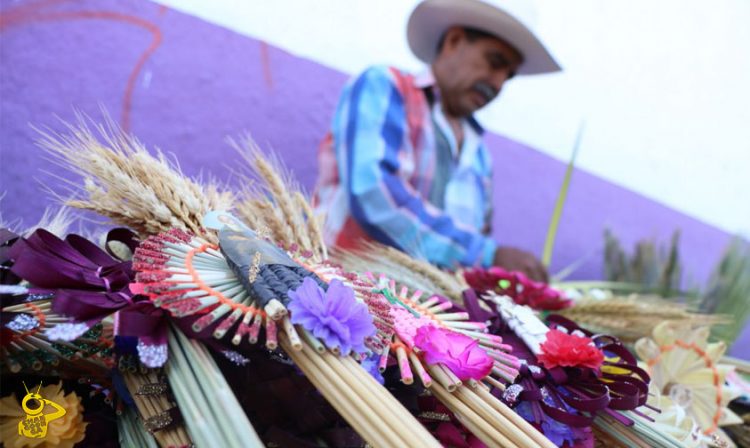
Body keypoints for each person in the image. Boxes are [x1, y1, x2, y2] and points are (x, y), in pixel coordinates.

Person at [313, 0, 561, 282]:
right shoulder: (386, 87)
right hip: (337, 291)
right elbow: (374, 195)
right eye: (495, 62)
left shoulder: (479, 155)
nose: (498, 83)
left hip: (421, 315)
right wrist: (487, 256)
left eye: (509, 75)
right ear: (454, 41)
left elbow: (475, 238)